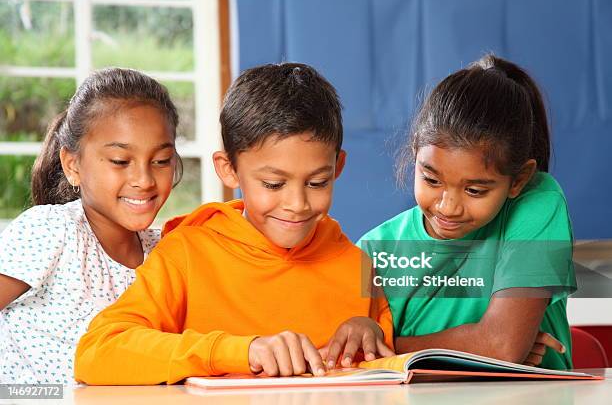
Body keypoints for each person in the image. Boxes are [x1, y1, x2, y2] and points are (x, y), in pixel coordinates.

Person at [74, 63, 395, 385]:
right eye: (273, 184)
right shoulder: (187, 254)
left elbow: (387, 367)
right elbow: (97, 353)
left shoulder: (357, 263)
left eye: (317, 183)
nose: (297, 205)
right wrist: (241, 351)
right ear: (228, 169)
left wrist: (370, 330)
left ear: (337, 167)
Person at [358, 54, 575, 369]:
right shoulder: (373, 251)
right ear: (415, 155)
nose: (448, 206)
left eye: (475, 190)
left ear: (518, 180)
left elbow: (501, 346)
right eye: (431, 180)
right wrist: (479, 354)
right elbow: (349, 360)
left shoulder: (538, 200)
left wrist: (388, 351)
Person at [0, 68, 182, 384]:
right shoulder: (51, 231)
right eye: (120, 161)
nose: (144, 179)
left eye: (161, 161)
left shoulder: (167, 251)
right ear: (73, 166)